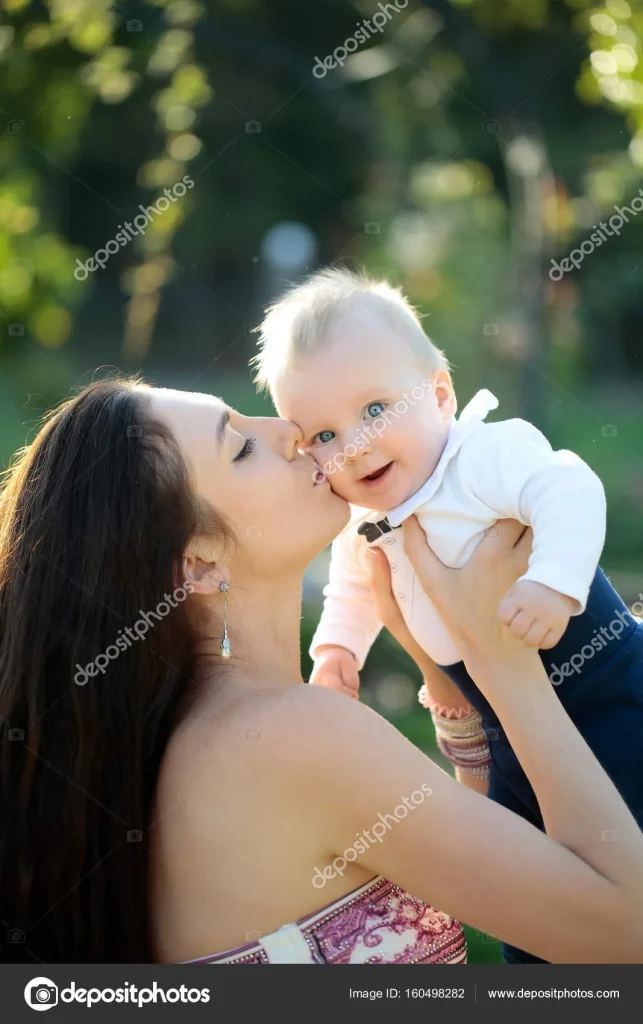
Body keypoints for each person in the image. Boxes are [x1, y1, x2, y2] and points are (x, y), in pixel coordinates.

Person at [1, 378, 643, 965]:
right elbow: (625, 933)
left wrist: (441, 673)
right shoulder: (290, 734)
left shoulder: (214, 736)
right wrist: (502, 661)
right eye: (241, 447)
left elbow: (487, 867)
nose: (287, 431)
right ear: (195, 567)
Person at [252, 267, 643, 962]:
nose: (355, 444)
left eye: (374, 409)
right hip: (504, 729)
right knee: (537, 896)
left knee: (618, 829)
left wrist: (552, 584)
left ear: (438, 393)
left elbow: (568, 487)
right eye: (322, 435)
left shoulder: (480, 457)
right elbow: (351, 586)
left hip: (600, 685)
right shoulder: (368, 523)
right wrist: (337, 650)